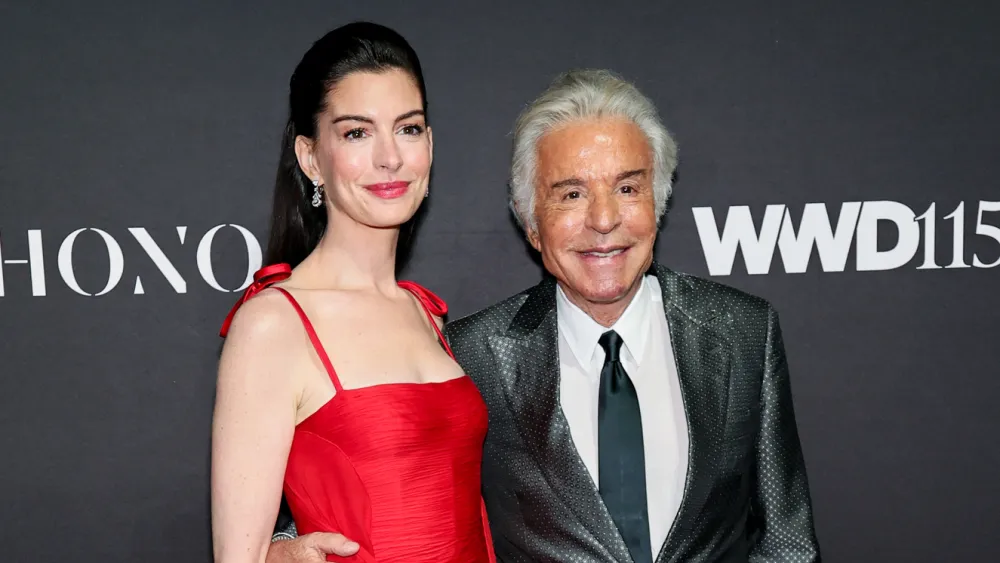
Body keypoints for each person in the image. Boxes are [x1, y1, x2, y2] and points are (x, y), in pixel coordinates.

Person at [267, 69, 821, 562]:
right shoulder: (470, 355)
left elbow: (786, 541)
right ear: (531, 223)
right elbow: (378, 484)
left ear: (659, 203)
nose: (604, 220)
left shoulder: (743, 333)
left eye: (628, 188)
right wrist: (278, 548)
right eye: (571, 194)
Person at [210, 22, 495, 563]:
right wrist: (282, 553)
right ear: (311, 157)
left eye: (408, 129)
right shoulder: (274, 324)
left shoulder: (424, 312)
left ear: (430, 146)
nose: (390, 157)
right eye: (357, 133)